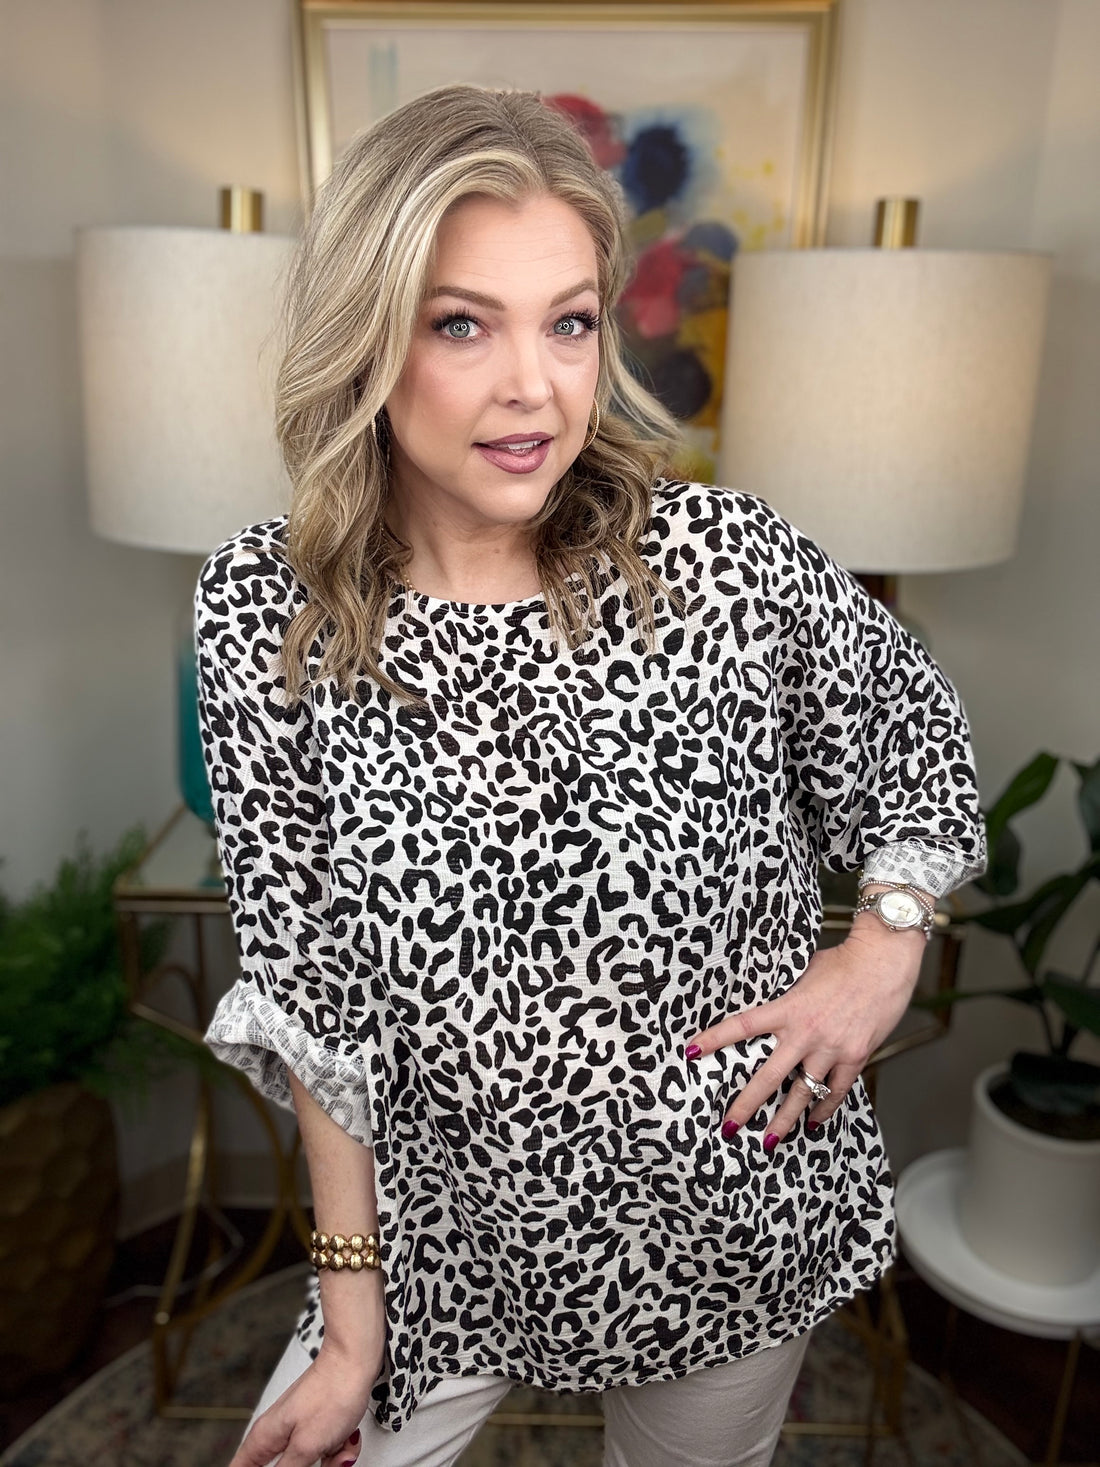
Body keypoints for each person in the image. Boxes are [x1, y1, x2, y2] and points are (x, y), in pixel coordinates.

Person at [194, 83, 986, 1467]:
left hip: (718, 1220)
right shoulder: (267, 612)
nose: (534, 388)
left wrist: (885, 945)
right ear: (370, 339)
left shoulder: (721, 564)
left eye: (568, 322)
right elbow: (313, 1006)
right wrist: (351, 1325)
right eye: (461, 323)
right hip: (434, 1236)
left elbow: (914, 738)